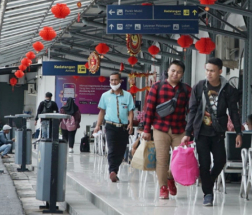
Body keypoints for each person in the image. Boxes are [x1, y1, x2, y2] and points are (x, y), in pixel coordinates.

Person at [182, 58, 242, 206]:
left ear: (220, 71)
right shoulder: (199, 87)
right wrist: (187, 132)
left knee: (221, 160)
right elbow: (192, 111)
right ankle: (208, 194)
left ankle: (208, 179)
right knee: (204, 163)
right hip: (201, 132)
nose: (209, 73)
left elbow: (234, 112)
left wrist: (238, 132)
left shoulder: (228, 89)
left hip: (218, 131)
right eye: (207, 70)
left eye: (212, 71)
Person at [143, 60, 191, 200]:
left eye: (179, 72)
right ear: (168, 71)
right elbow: (149, 109)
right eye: (173, 71)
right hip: (160, 128)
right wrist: (146, 130)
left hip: (179, 129)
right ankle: (163, 187)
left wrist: (190, 131)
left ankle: (170, 176)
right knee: (162, 160)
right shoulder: (157, 87)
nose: (175, 74)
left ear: (182, 74)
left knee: (179, 160)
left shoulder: (187, 90)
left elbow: (191, 110)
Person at [93, 72, 135, 183]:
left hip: (123, 127)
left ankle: (114, 171)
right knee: (111, 149)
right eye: (111, 80)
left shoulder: (128, 95)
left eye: (115, 80)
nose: (113, 82)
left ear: (120, 81)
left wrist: (130, 124)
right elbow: (101, 112)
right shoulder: (105, 96)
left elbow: (130, 111)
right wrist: (98, 126)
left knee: (121, 151)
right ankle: (112, 171)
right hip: (110, 126)